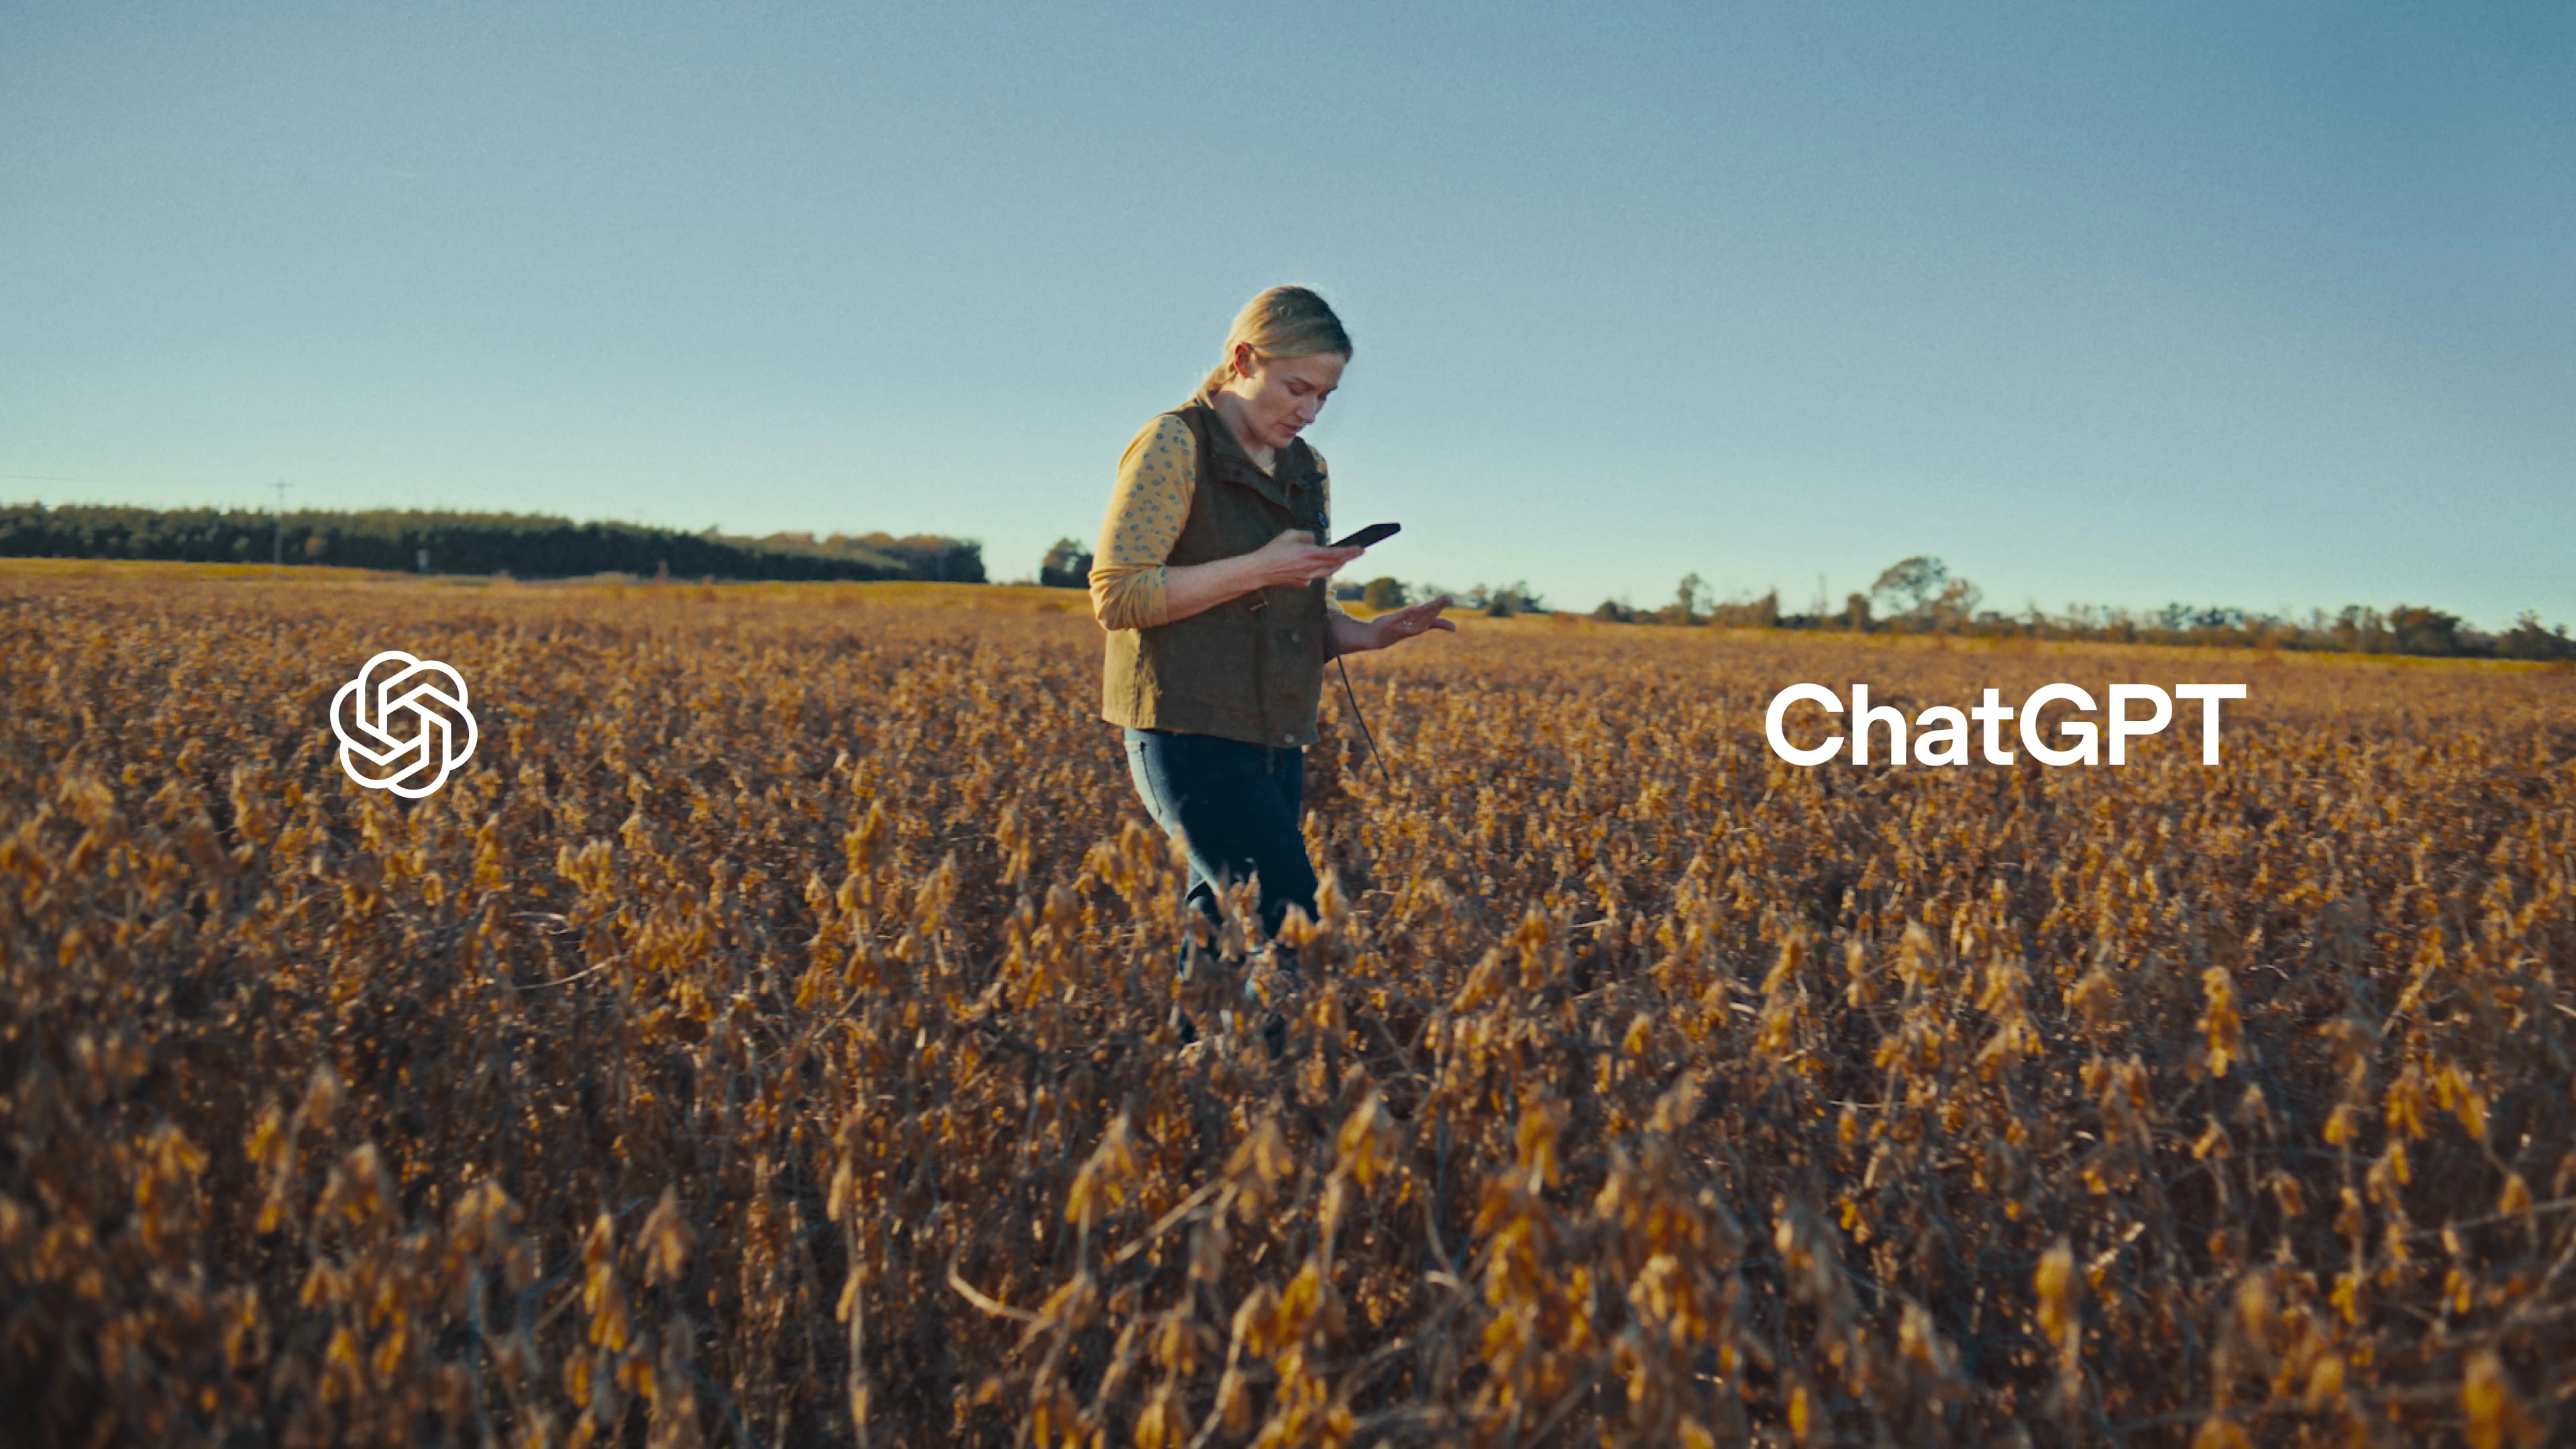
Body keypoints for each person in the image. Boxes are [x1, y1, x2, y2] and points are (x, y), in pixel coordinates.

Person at [1088, 285, 1454, 1044]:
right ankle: (1267, 1094)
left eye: (1325, 395)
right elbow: (1120, 594)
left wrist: (1370, 635)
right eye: (1297, 388)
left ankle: (1199, 1097)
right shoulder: (1174, 443)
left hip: (1277, 733)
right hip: (1184, 726)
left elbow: (1289, 614)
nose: (1311, 410)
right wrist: (1258, 567)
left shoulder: (1306, 470)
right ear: (1242, 359)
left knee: (1219, 920)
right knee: (1285, 916)